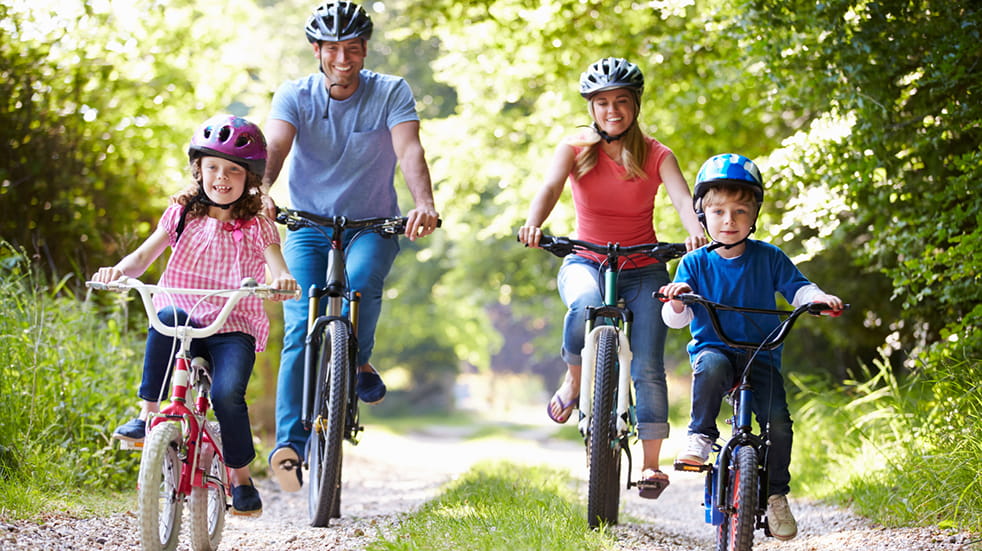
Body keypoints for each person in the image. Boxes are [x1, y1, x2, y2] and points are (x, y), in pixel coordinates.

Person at [260, 0, 439, 493]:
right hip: (308, 224)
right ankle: (288, 446)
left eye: (353, 49)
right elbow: (275, 146)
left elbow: (409, 149)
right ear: (317, 51)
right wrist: (262, 191)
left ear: (364, 51)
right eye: (333, 49)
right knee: (300, 321)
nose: (343, 59)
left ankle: (356, 359)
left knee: (361, 285)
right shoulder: (294, 95)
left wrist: (423, 203)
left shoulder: (391, 92)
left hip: (373, 223)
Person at [518, 57, 707, 499]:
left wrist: (695, 227)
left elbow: (682, 198)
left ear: (635, 105)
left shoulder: (658, 154)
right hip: (586, 260)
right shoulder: (576, 148)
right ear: (591, 108)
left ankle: (651, 466)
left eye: (621, 101)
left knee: (647, 366)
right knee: (583, 304)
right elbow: (548, 187)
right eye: (602, 103)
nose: (612, 111)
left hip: (643, 270)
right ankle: (574, 377)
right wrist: (533, 222)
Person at [92, 114, 300, 517]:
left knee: (226, 395)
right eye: (213, 168)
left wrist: (284, 281)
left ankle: (240, 478)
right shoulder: (181, 215)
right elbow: (142, 257)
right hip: (184, 319)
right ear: (199, 170)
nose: (221, 177)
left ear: (250, 178)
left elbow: (278, 267)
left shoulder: (258, 225)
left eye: (233, 170)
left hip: (231, 326)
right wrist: (117, 272)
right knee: (164, 315)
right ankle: (148, 414)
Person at [658, 153, 844, 540]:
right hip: (717, 349)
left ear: (754, 214)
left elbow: (798, 288)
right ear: (702, 214)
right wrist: (679, 297)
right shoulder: (694, 263)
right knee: (709, 368)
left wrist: (818, 298)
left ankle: (776, 495)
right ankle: (701, 434)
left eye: (740, 211)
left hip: (761, 353)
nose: (729, 220)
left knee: (779, 423)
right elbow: (676, 319)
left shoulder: (769, 257)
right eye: (720, 211)